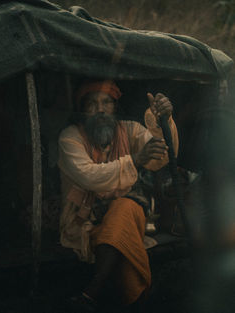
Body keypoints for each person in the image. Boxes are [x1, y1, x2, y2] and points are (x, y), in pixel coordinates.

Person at [58, 79, 179, 312]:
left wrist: (164, 120)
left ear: (115, 107)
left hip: (125, 212)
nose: (101, 109)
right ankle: (132, 302)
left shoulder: (130, 130)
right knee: (119, 229)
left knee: (124, 208)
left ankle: (91, 293)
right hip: (84, 221)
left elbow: (161, 156)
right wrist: (135, 159)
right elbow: (90, 176)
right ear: (83, 110)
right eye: (92, 104)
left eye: (106, 103)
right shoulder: (70, 136)